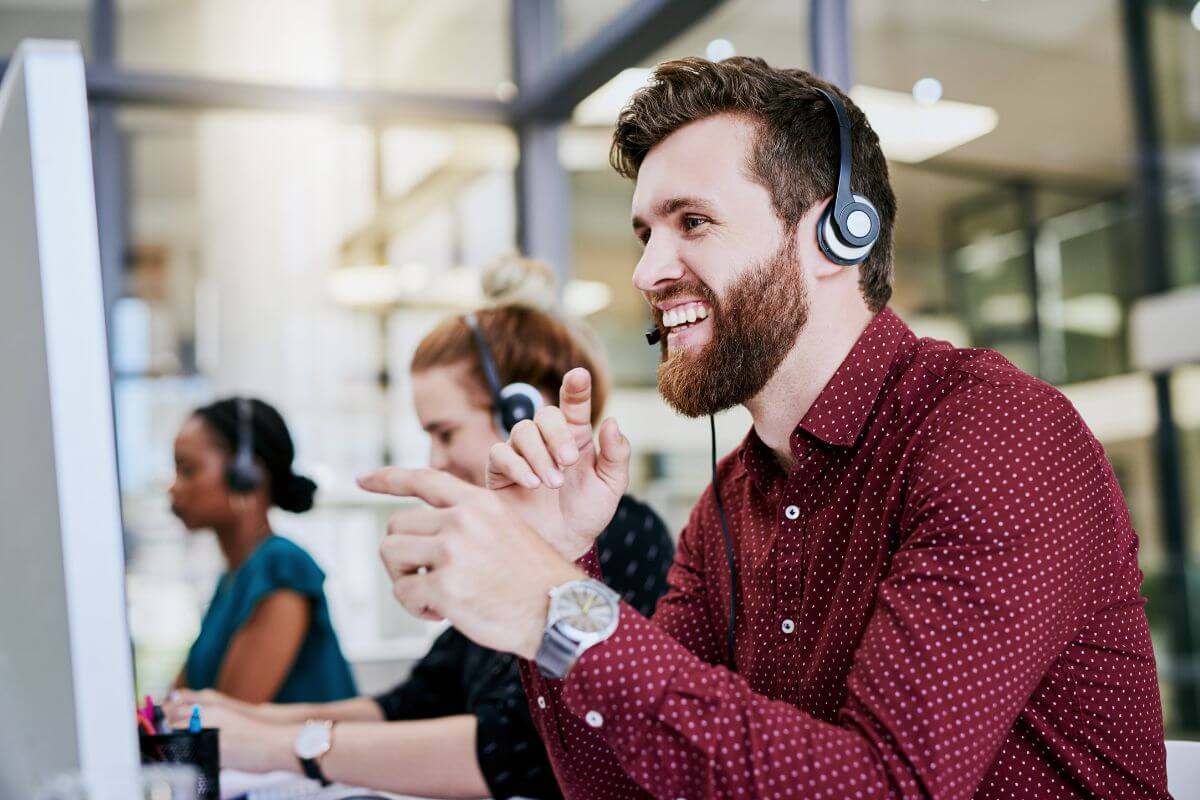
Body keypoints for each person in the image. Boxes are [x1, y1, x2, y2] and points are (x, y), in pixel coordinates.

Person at [362, 57, 1170, 799]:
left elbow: (884, 789)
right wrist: (563, 565)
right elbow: (623, 790)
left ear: (835, 235)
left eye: (693, 222)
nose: (646, 272)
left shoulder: (995, 435)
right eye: (647, 232)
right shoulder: (730, 503)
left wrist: (558, 605)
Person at [167, 260, 675, 799]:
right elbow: (417, 701)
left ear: (520, 413)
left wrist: (283, 745)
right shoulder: (505, 547)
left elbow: (517, 752)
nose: (436, 458)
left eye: (445, 432)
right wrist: (252, 720)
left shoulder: (623, 537)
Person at [170, 397, 356, 704]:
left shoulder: (281, 566)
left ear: (245, 474)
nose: (174, 487)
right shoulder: (232, 578)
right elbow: (177, 704)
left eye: (188, 470)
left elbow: (229, 716)